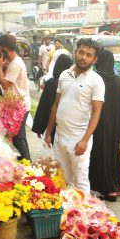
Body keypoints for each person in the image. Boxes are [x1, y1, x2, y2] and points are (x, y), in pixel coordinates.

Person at [44, 38, 105, 194]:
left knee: (80, 182)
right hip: (60, 137)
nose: (83, 57)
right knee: (63, 180)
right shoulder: (64, 75)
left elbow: (96, 112)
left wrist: (85, 140)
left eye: (89, 55)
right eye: (81, 52)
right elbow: (55, 106)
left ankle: (83, 216)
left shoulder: (96, 81)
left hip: (79, 139)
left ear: (94, 59)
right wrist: (49, 132)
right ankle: (67, 214)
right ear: (75, 52)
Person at [90, 50, 120, 202]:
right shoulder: (118, 81)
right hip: (114, 124)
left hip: (97, 123)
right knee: (112, 154)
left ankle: (101, 187)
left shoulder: (96, 79)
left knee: (98, 153)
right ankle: (112, 189)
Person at [0, 34, 31, 160]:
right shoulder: (14, 62)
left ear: (4, 49)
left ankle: (27, 164)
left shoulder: (15, 64)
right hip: (16, 105)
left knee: (19, 138)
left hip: (19, 106)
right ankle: (25, 163)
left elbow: (5, 85)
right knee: (17, 137)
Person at [31, 53, 73, 143]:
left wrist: (39, 128)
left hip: (52, 125)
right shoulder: (73, 83)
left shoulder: (50, 83)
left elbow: (43, 106)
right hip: (68, 126)